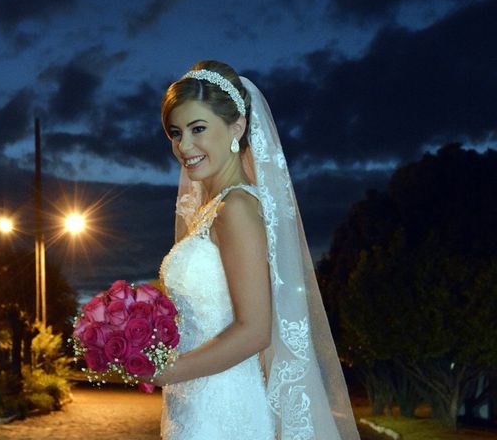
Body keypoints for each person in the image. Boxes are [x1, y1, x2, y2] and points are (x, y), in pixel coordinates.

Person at [140, 60, 361, 440]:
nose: (183, 146)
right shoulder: (212, 211)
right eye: (176, 133)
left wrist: (166, 371)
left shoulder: (237, 209)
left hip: (224, 408)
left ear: (236, 127)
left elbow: (255, 331)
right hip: (193, 402)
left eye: (198, 129)